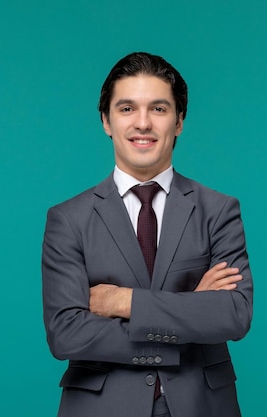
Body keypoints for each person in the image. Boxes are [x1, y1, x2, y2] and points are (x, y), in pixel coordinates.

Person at [42, 52, 253, 417]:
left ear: (179, 121)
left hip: (203, 406)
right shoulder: (68, 219)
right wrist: (190, 310)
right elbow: (66, 334)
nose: (143, 123)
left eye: (158, 109)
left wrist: (122, 302)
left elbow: (233, 315)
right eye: (127, 109)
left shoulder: (218, 210)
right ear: (106, 121)